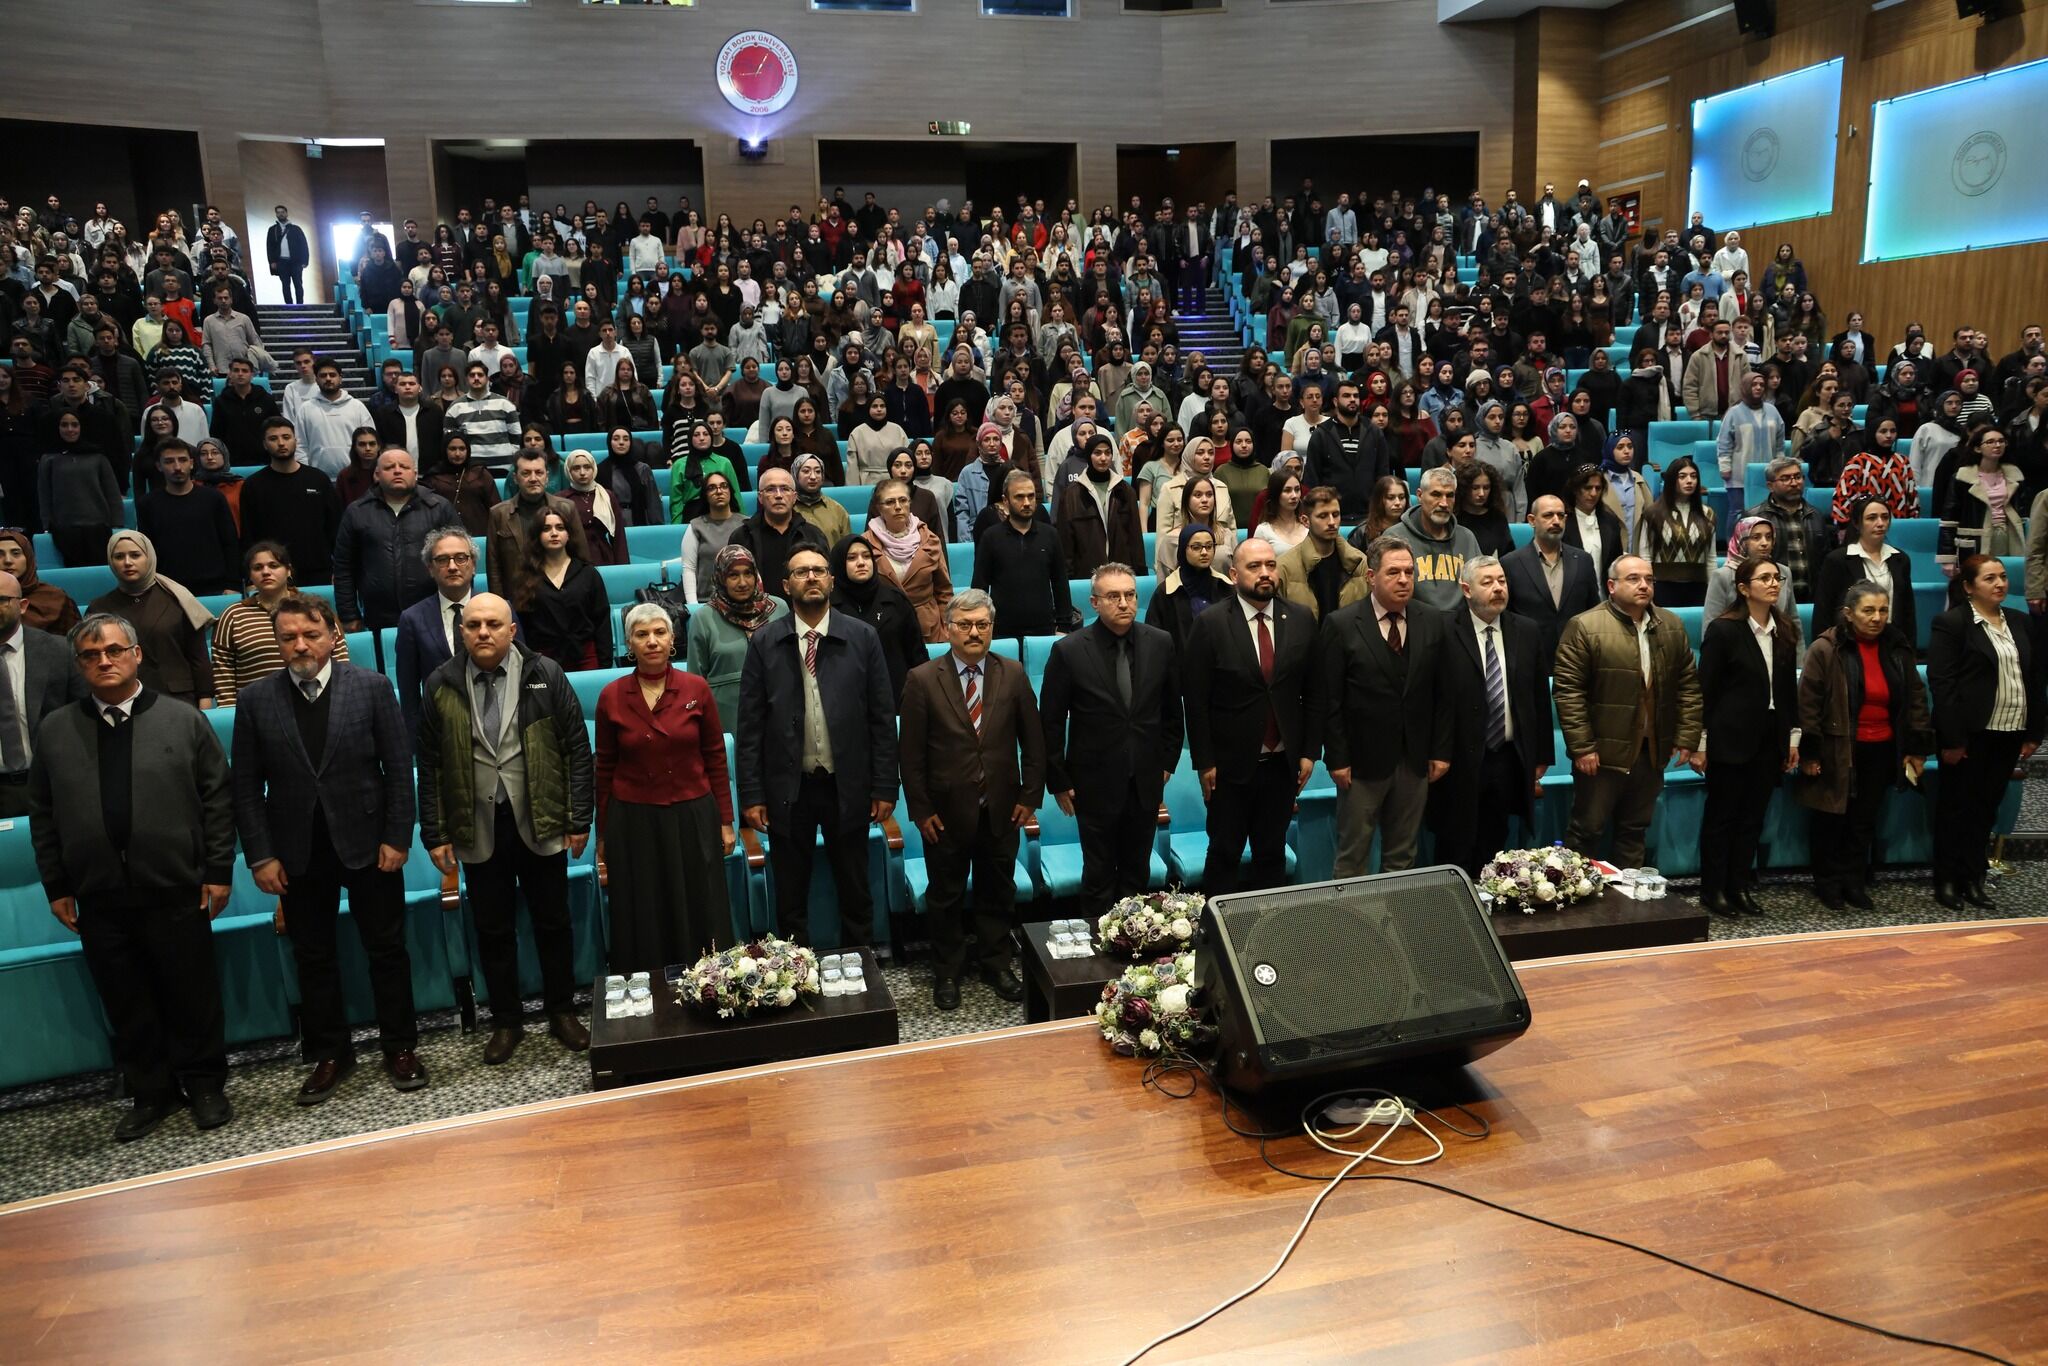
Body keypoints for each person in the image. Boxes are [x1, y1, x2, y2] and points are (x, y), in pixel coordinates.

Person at [30, 612, 236, 1141]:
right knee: (126, 997)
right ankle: (152, 1092)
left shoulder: (183, 719)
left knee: (190, 991)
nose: (104, 661)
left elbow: (217, 799)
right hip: (98, 892)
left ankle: (206, 1084)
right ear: (79, 665)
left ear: (136, 654)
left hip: (176, 885)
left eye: (115, 651)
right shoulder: (55, 730)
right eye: (92, 655)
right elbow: (43, 814)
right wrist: (57, 884)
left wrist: (217, 870)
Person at [230, 594, 424, 1102]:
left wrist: (396, 837)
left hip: (369, 844)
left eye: (310, 634)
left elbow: (399, 770)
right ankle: (329, 1054)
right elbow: (246, 788)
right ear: (277, 642)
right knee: (313, 956)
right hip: (296, 852)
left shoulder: (373, 687)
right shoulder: (254, 700)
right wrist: (261, 855)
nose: (300, 645)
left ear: (332, 635)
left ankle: (400, 1047)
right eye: (289, 636)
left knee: (387, 951)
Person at [417, 592, 593, 1064]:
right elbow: (430, 765)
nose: (483, 633)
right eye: (473, 625)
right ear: (462, 632)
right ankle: (507, 1021)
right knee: (493, 930)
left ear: (512, 630)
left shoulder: (545, 673)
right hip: (478, 825)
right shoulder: (440, 684)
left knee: (553, 922)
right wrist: (434, 832)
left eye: (493, 624)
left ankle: (562, 1011)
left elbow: (577, 748)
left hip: (541, 817)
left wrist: (580, 819)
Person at [735, 545, 898, 948]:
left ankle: (862, 971)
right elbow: (750, 726)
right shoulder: (764, 641)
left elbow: (882, 718)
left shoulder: (863, 637)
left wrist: (884, 787)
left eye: (818, 571)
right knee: (790, 893)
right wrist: (752, 795)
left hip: (849, 784)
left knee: (855, 888)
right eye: (801, 572)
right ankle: (795, 978)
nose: (811, 577)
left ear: (830, 580)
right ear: (785, 585)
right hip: (790, 789)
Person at [899, 590, 1043, 1008]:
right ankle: (947, 972)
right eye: (965, 624)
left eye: (982, 624)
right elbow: (910, 755)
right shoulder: (923, 679)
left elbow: (1033, 743)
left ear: (992, 628)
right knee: (945, 895)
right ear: (948, 629)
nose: (974, 632)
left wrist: (1030, 796)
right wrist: (921, 809)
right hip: (943, 814)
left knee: (998, 890)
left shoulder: (1013, 673)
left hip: (1002, 807)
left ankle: (997, 963)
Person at [594, 603, 736, 975]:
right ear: (629, 643)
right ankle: (652, 991)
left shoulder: (696, 688)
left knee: (700, 903)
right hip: (634, 818)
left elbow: (715, 758)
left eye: (659, 632)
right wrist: (603, 833)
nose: (652, 641)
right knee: (644, 910)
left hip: (692, 812)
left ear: (673, 639)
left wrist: (725, 821)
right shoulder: (611, 695)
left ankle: (708, 986)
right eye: (642, 635)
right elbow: (605, 768)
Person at [1181, 535, 1320, 895]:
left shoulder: (1301, 618)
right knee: (1225, 853)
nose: (1264, 573)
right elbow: (1196, 701)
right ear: (1233, 573)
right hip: (1230, 765)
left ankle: (1266, 939)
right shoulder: (1211, 623)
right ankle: (1216, 940)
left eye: (1270, 565)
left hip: (1281, 763)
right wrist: (1204, 762)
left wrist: (1308, 752)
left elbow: (1314, 692)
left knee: (1271, 854)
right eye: (1254, 566)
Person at [1043, 563, 1182, 913]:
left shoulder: (1160, 642)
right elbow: (1051, 722)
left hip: (1146, 780)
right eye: (1113, 596)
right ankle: (1098, 957)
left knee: (1138, 873)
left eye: (1130, 595)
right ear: (1094, 602)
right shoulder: (1070, 650)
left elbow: (1171, 711)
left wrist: (1167, 761)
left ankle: (1133, 949)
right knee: (1099, 875)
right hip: (1093, 783)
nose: (1124, 603)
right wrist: (1057, 780)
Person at [1552, 555, 1703, 869]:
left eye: (1648, 579)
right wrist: (1582, 747)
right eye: (1633, 578)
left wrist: (1687, 737)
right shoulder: (1585, 626)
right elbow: (1568, 692)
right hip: (1601, 755)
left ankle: (1630, 909)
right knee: (1586, 831)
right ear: (1611, 585)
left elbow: (1688, 685)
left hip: (1650, 751)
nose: (1644, 585)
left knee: (1635, 831)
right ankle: (1578, 908)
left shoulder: (1670, 625)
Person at [1319, 534, 1453, 877]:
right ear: (1371, 577)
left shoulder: (1432, 621)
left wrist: (1440, 750)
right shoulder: (1342, 624)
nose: (1404, 580)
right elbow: (1330, 700)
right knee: (1352, 856)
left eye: (1409, 572)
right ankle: (1350, 928)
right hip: (1361, 763)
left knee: (1403, 856)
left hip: (1414, 758)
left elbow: (1444, 694)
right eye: (1394, 573)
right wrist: (1337, 758)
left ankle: (1394, 927)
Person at [1795, 581, 1931, 911]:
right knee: (1832, 819)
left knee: (1863, 820)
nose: (1876, 618)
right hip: (1838, 748)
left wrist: (1916, 747)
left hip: (1882, 747)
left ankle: (1853, 882)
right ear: (1848, 613)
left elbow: (1915, 698)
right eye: (1868, 610)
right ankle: (1828, 883)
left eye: (1883, 610)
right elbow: (1808, 704)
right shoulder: (1826, 649)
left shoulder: (1897, 647)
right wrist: (1810, 752)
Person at [1928, 555, 2042, 909]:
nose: (2000, 584)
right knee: (1956, 808)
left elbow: (2036, 681)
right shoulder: (1952, 624)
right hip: (1970, 734)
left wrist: (2034, 732)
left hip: (2009, 730)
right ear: (1968, 586)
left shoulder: (2022, 622)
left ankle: (1973, 878)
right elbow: (1942, 685)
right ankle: (1946, 881)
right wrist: (1952, 739)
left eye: (2004, 577)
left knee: (1985, 809)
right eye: (1990, 578)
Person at [1429, 556, 1553, 878]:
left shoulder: (1525, 630)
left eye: (1501, 581)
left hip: (1507, 757)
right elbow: (1433, 698)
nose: (1498, 588)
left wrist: (1541, 756)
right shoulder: (1443, 629)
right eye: (1488, 582)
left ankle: (1491, 911)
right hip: (1459, 760)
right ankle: (1453, 916)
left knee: (1496, 844)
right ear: (1466, 589)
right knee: (1456, 844)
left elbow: (1539, 697)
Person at [1692, 558, 1800, 917]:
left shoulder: (1784, 629)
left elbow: (1787, 691)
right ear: (1743, 588)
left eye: (1777, 577)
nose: (1774, 583)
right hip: (1729, 739)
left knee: (1752, 819)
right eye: (1765, 578)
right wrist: (1701, 743)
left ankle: (1739, 886)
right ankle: (1713, 890)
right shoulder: (1724, 631)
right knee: (1721, 819)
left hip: (1769, 740)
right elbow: (1704, 691)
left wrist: (1793, 739)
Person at [330, 448, 456, 634]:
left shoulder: (439, 507)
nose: (397, 471)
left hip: (434, 612)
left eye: (404, 466)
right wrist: (349, 615)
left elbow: (462, 559)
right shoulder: (357, 512)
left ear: (414, 474)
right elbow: (343, 568)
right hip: (378, 617)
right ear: (377, 475)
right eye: (389, 467)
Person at [87, 531, 214, 708]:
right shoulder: (99, 608)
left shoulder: (178, 599)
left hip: (178, 701)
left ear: (150, 557)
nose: (127, 562)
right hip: (122, 702)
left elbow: (198, 656)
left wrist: (205, 702)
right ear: (111, 562)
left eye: (135, 555)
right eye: (119, 556)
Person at [0, 568, 86, 816]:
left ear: (23, 605)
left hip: (53, 783)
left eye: (2, 600)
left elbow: (84, 715)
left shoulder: (60, 652)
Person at [1501, 494, 1601, 673]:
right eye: (1548, 515)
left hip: (1577, 657)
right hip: (1528, 657)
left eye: (1560, 515)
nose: (1556, 521)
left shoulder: (1583, 560)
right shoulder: (1510, 563)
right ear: (1532, 520)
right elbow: (1506, 616)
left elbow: (1594, 611)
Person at [240, 417, 343, 586]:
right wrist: (251, 577)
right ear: (264, 444)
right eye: (273, 439)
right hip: (273, 573)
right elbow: (249, 535)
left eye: (286, 437)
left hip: (319, 571)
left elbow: (336, 529)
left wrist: (340, 570)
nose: (281, 443)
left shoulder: (318, 479)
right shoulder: (253, 485)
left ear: (296, 440)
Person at [972, 470, 1073, 640]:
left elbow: (1060, 583)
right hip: (1002, 632)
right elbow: (979, 586)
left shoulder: (1050, 535)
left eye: (1031, 496)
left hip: (1044, 630)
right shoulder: (991, 537)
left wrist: (1063, 626)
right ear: (1006, 500)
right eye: (1019, 497)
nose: (1027, 503)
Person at [486, 447, 592, 605]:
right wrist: (501, 605)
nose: (533, 478)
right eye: (526, 473)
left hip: (562, 598)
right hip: (518, 600)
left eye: (539, 472)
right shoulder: (498, 514)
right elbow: (494, 568)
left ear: (547, 477)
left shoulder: (566, 508)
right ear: (515, 478)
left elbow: (581, 557)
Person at [830, 534, 925, 706]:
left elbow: (917, 656)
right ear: (838, 564)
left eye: (866, 556)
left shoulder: (896, 600)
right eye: (851, 558)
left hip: (897, 696)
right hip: (845, 701)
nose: (861, 562)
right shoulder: (828, 606)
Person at [1813, 497, 1916, 653]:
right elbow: (1823, 612)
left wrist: (1909, 651)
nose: (1880, 523)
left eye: (1885, 517)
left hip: (1892, 645)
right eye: (1872, 518)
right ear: (1857, 523)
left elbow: (1908, 612)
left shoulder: (1900, 559)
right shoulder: (1837, 560)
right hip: (1848, 646)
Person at [517, 507, 613, 671]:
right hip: (543, 661)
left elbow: (602, 621)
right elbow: (524, 627)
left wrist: (605, 665)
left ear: (569, 534)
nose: (554, 533)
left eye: (560, 528)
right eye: (546, 529)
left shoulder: (588, 573)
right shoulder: (527, 577)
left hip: (586, 657)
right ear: (537, 536)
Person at [863, 478, 952, 642]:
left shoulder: (930, 539)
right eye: (890, 502)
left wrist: (946, 628)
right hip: (883, 627)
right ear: (879, 509)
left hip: (928, 628)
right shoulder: (866, 544)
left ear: (910, 503)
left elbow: (943, 590)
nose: (898, 507)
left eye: (903, 500)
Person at [730, 467, 828, 605]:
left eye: (785, 489)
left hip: (805, 611)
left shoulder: (813, 535)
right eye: (770, 489)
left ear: (794, 497)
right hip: (756, 615)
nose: (778, 495)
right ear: (760, 497)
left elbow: (825, 579)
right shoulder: (741, 536)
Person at [1054, 435, 1143, 580]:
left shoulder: (1126, 491)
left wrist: (1139, 574)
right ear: (1088, 456)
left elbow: (1135, 539)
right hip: (1086, 575)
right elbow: (1066, 543)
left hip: (1121, 574)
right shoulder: (1072, 494)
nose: (1103, 458)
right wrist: (1067, 578)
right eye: (1097, 453)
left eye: (1107, 453)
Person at [1742, 457, 1829, 603]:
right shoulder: (1755, 517)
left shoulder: (1816, 516)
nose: (1794, 483)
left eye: (1797, 477)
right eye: (1786, 478)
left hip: (1812, 596)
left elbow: (1825, 560)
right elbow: (1745, 562)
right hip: (1773, 597)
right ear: (1770, 485)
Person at [1277, 485, 1369, 620]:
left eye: (1335, 515)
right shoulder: (1284, 567)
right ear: (1305, 521)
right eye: (1323, 516)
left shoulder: (1360, 562)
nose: (1332, 522)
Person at [1145, 524, 1232, 655]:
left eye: (1209, 546)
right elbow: (1154, 640)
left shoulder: (1225, 586)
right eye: (1196, 547)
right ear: (1183, 550)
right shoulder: (1166, 591)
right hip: (1180, 668)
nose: (1204, 552)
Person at [1943, 428, 2026, 558]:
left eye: (2001, 441)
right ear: (1977, 448)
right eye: (1990, 442)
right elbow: (1949, 519)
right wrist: (1947, 556)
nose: (1997, 445)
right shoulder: (1963, 478)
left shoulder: (2014, 476)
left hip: (2008, 535)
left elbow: (2023, 511)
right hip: (1976, 539)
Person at [0, 530, 81, 636]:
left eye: (16, 553)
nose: (8, 560)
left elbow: (74, 643)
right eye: (0, 554)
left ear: (28, 558)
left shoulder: (55, 598)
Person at [267, 206, 310, 304]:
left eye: (282, 212)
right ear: (276, 214)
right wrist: (272, 261)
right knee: (285, 285)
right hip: (281, 261)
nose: (280, 214)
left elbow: (304, 245)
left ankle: (300, 305)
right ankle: (289, 305)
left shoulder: (296, 229)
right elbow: (269, 247)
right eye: (278, 212)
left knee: (298, 284)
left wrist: (305, 261)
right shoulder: (272, 230)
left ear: (286, 213)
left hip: (296, 262)